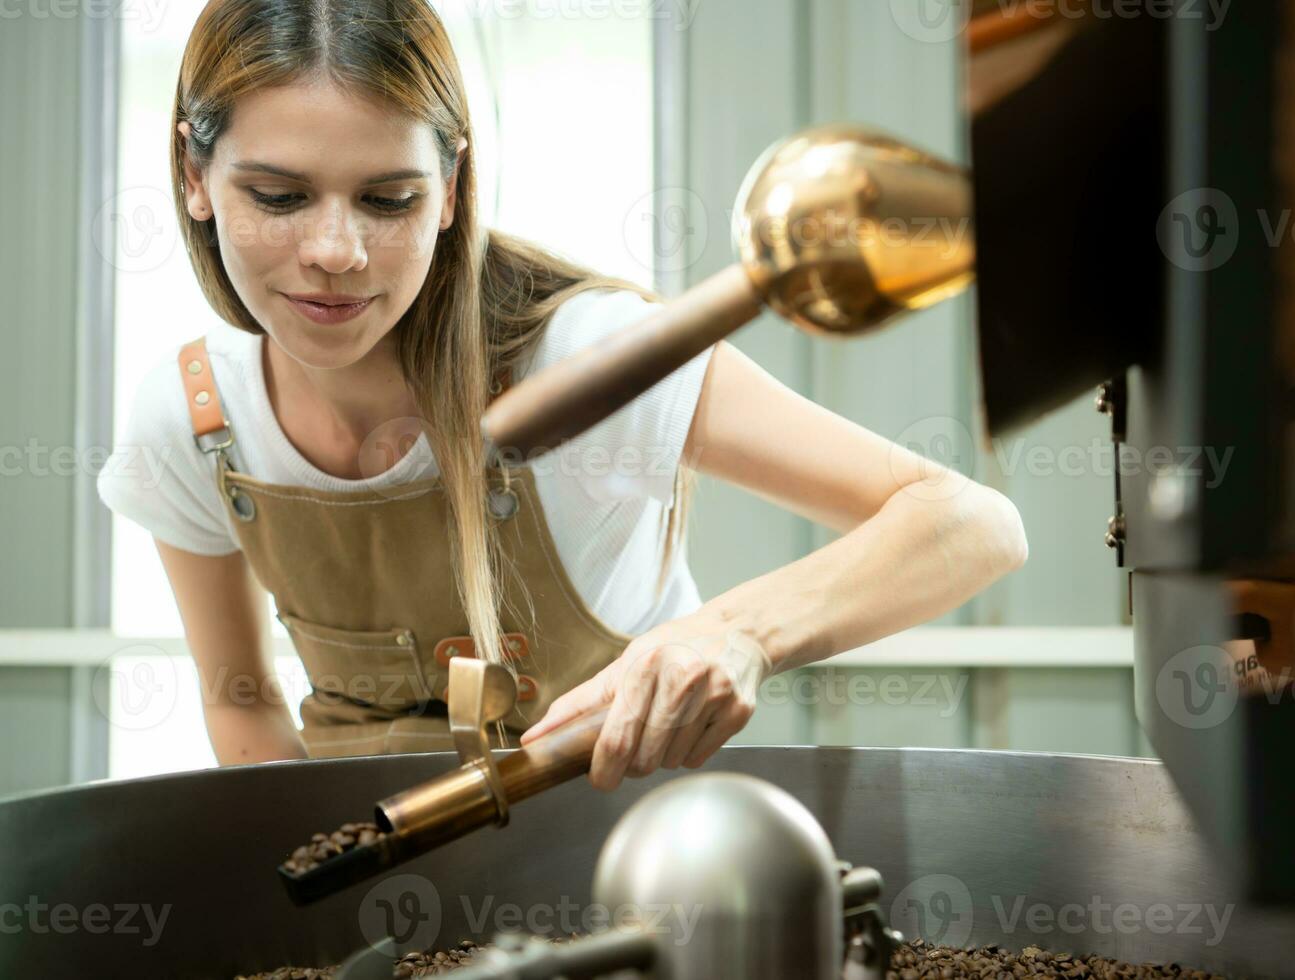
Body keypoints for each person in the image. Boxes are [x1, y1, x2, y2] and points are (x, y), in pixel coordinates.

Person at [97, 0, 1028, 791]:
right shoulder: (190, 418)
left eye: (389, 201)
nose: (337, 251)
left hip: (631, 871)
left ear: (453, 187)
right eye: (279, 197)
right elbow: (241, 704)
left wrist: (738, 633)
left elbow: (971, 523)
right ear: (195, 176)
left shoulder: (583, 359)